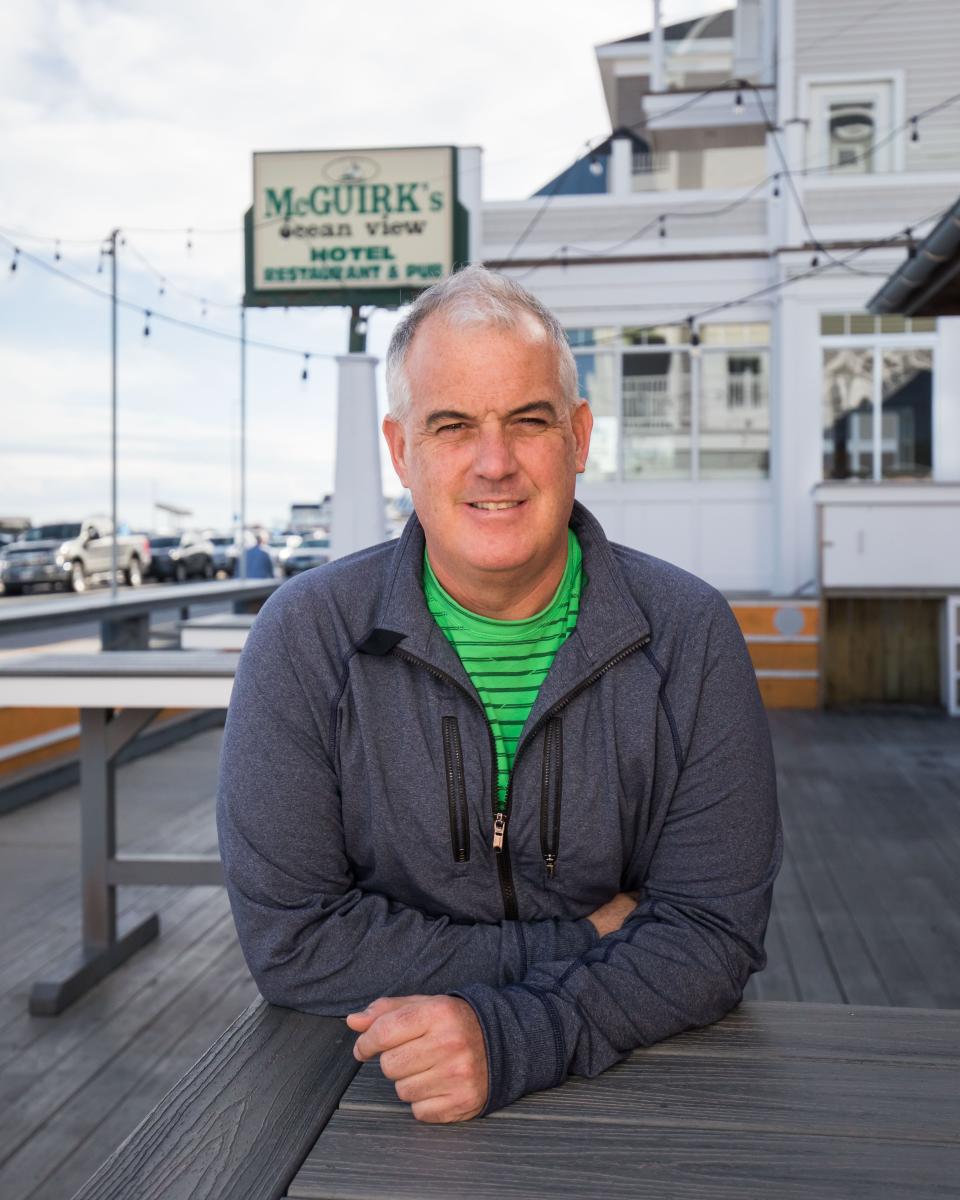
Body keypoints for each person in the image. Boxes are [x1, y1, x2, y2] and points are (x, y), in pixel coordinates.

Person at [217, 266, 781, 1125]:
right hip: (366, 1084)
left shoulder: (688, 633)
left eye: (529, 420)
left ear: (579, 438)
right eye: (452, 426)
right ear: (402, 451)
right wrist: (587, 938)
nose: (495, 462)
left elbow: (711, 934)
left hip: (642, 1084)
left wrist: (512, 1035)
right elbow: (295, 945)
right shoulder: (306, 636)